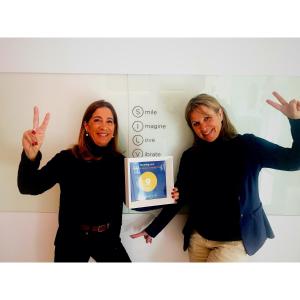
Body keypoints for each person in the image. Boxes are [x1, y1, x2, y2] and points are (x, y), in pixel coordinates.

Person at [131, 91, 300, 262]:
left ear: (220, 114)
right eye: (196, 123)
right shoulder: (191, 156)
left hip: (234, 242)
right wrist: (153, 229)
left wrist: (295, 121)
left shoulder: (248, 145)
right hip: (199, 239)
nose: (203, 128)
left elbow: (294, 161)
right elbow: (180, 198)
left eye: (207, 118)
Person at [18, 100, 131, 262]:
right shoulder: (66, 159)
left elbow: (133, 200)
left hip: (108, 240)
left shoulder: (121, 163)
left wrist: (165, 195)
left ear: (114, 129)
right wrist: (30, 156)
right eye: (97, 120)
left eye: (110, 121)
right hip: (71, 241)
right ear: (86, 126)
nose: (104, 126)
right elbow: (28, 186)